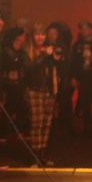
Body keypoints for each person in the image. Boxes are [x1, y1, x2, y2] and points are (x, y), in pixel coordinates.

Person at [23, 23, 59, 166]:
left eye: (42, 34)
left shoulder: (49, 49)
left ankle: (42, 155)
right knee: (36, 123)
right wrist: (45, 55)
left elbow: (56, 68)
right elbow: (30, 70)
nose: (40, 37)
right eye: (37, 34)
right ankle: (34, 156)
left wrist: (55, 57)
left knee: (46, 123)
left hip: (49, 90)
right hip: (34, 89)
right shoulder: (27, 50)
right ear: (32, 36)